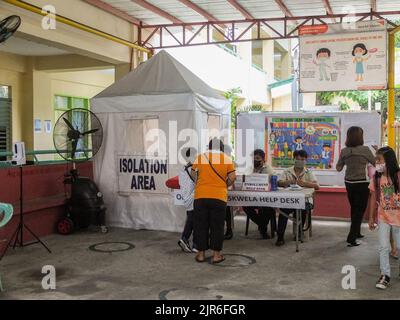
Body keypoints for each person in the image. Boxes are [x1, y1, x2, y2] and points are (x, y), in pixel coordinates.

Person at [191, 138, 236, 264]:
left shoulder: (201, 157)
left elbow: (193, 172)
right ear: (221, 148)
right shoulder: (227, 159)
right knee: (217, 226)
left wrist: (198, 182)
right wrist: (224, 184)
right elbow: (233, 177)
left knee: (200, 225)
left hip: (201, 195)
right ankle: (216, 256)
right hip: (219, 197)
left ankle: (200, 255)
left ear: (209, 147)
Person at [336, 126, 375, 247]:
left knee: (354, 208)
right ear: (360, 137)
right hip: (361, 183)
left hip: (349, 183)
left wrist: (348, 162)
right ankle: (351, 237)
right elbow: (376, 163)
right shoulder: (365, 150)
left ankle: (357, 232)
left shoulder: (344, 151)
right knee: (360, 210)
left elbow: (338, 168)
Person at [368, 147, 400, 289]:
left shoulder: (398, 176)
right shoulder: (377, 177)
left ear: (389, 161)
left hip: (398, 218)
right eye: (376, 160)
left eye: (379, 160)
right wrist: (371, 217)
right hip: (383, 217)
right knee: (383, 247)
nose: (377, 162)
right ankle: (385, 274)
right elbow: (373, 196)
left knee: (399, 246)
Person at [276, 150, 320, 246]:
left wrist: (304, 183)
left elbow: (317, 186)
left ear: (306, 160)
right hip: (289, 200)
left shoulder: (308, 172)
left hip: (305, 200)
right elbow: (278, 182)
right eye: (298, 159)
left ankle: (299, 232)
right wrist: (288, 182)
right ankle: (280, 237)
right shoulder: (287, 171)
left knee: (302, 209)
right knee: (283, 211)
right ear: (294, 159)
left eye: (302, 159)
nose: (300, 161)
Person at [243, 149, 277, 239]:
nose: (255, 160)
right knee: (245, 206)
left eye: (257, 158)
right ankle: (262, 226)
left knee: (267, 208)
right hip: (252, 197)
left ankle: (262, 229)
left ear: (263, 159)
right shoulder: (250, 168)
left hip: (266, 198)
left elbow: (272, 182)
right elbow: (245, 179)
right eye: (253, 158)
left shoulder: (268, 169)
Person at [178, 147, 198, 253]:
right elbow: (199, 181)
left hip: (187, 198)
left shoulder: (183, 168)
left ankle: (194, 243)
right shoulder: (193, 169)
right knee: (193, 220)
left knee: (193, 219)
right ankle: (185, 238)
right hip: (193, 197)